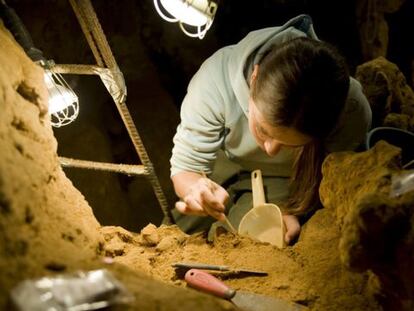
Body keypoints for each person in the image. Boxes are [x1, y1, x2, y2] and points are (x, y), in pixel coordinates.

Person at [169, 14, 372, 244]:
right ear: (254, 78)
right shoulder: (215, 81)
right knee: (175, 235)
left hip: (287, 177)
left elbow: (334, 184)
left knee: (248, 242)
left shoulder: (352, 112)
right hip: (220, 164)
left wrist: (295, 210)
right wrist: (195, 188)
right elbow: (186, 169)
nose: (271, 149)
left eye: (289, 143)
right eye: (263, 130)